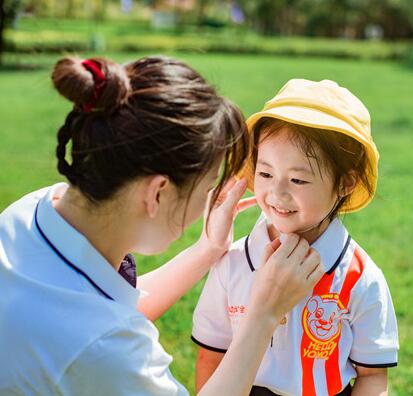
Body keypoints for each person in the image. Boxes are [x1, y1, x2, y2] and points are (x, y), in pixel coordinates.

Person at [0, 56, 324, 395]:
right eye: (208, 186)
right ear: (158, 191)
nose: (208, 203)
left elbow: (95, 309)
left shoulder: (32, 211)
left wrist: (206, 251)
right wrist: (263, 316)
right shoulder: (106, 348)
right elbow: (97, 335)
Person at [192, 79, 399, 396]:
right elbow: (211, 355)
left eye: (298, 179)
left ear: (346, 183)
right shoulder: (232, 263)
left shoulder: (359, 277)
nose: (276, 193)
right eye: (265, 173)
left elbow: (372, 375)